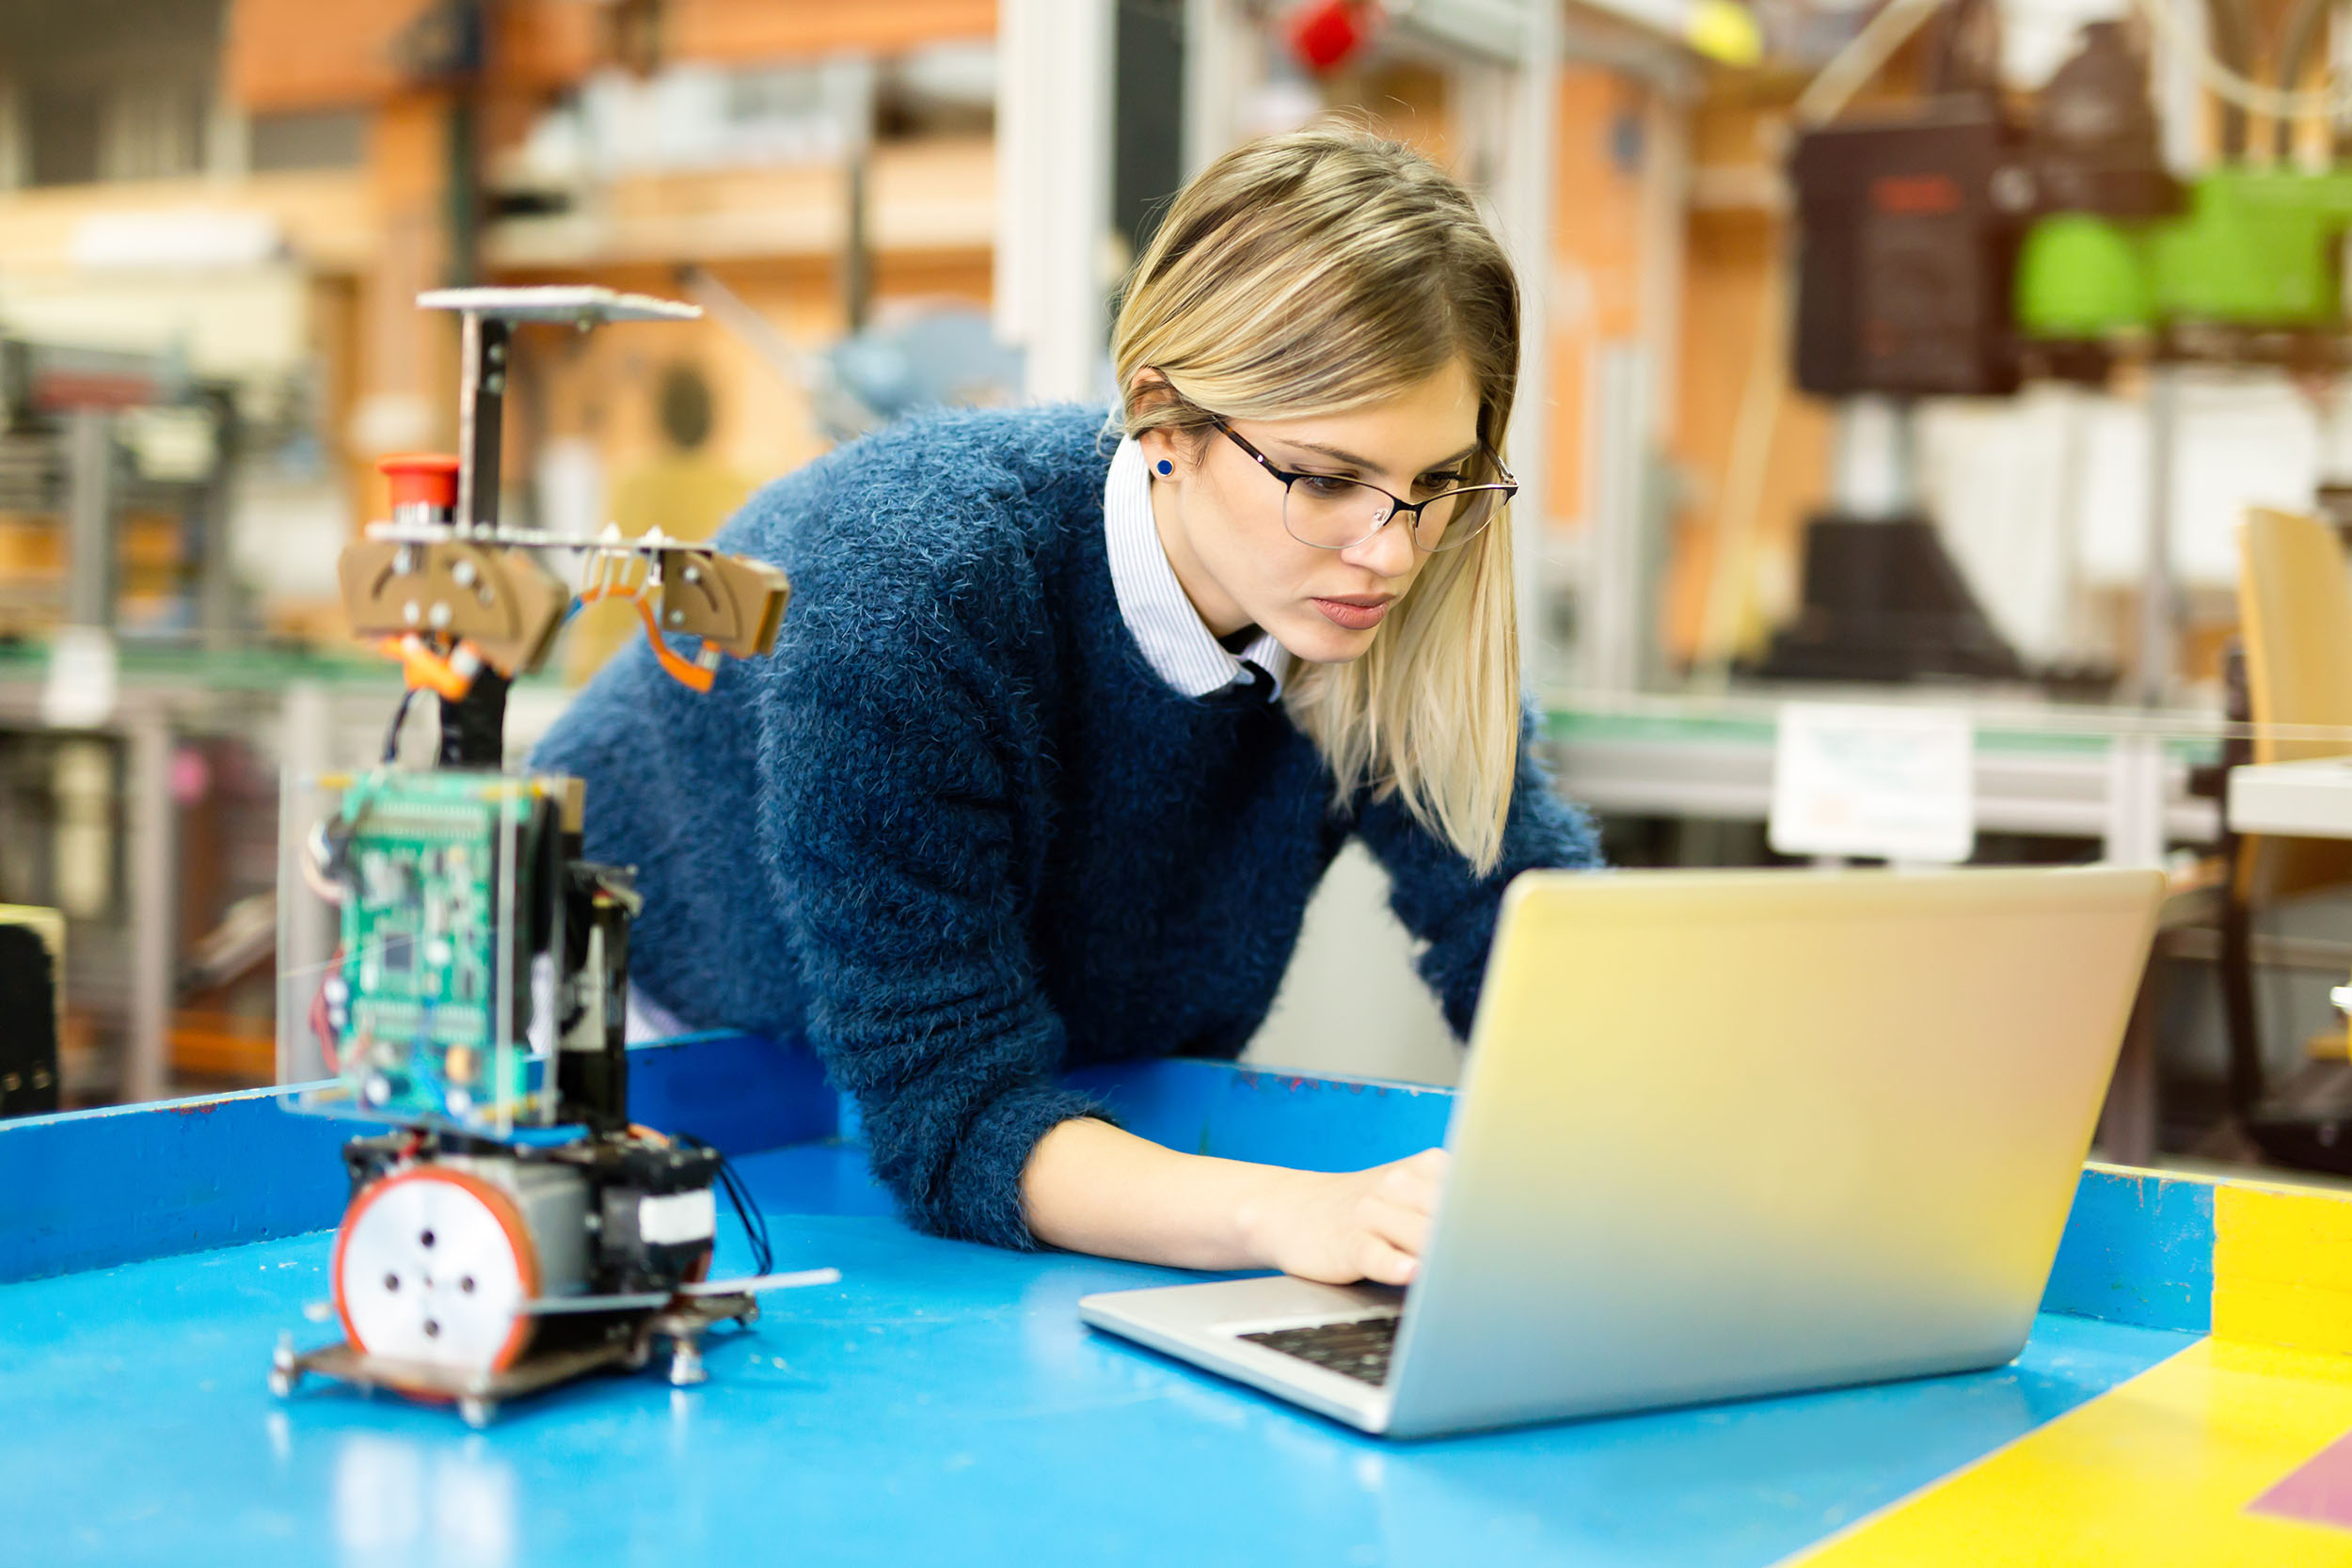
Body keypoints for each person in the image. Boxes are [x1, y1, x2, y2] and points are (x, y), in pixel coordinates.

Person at [534, 123, 1601, 1288]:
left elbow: (1525, 936)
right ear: (1161, 419)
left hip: (953, 1094)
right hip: (616, 1030)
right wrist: (1298, 1215)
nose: (1390, 550)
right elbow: (954, 1113)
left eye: (1436, 482)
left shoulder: (1370, 606)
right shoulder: (913, 593)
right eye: (1327, 477)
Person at [564, 361, 755, 684]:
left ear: (659, 414)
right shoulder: (743, 483)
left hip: (635, 672)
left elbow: (610, 588)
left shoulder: (635, 483)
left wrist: (585, 675)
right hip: (714, 671)